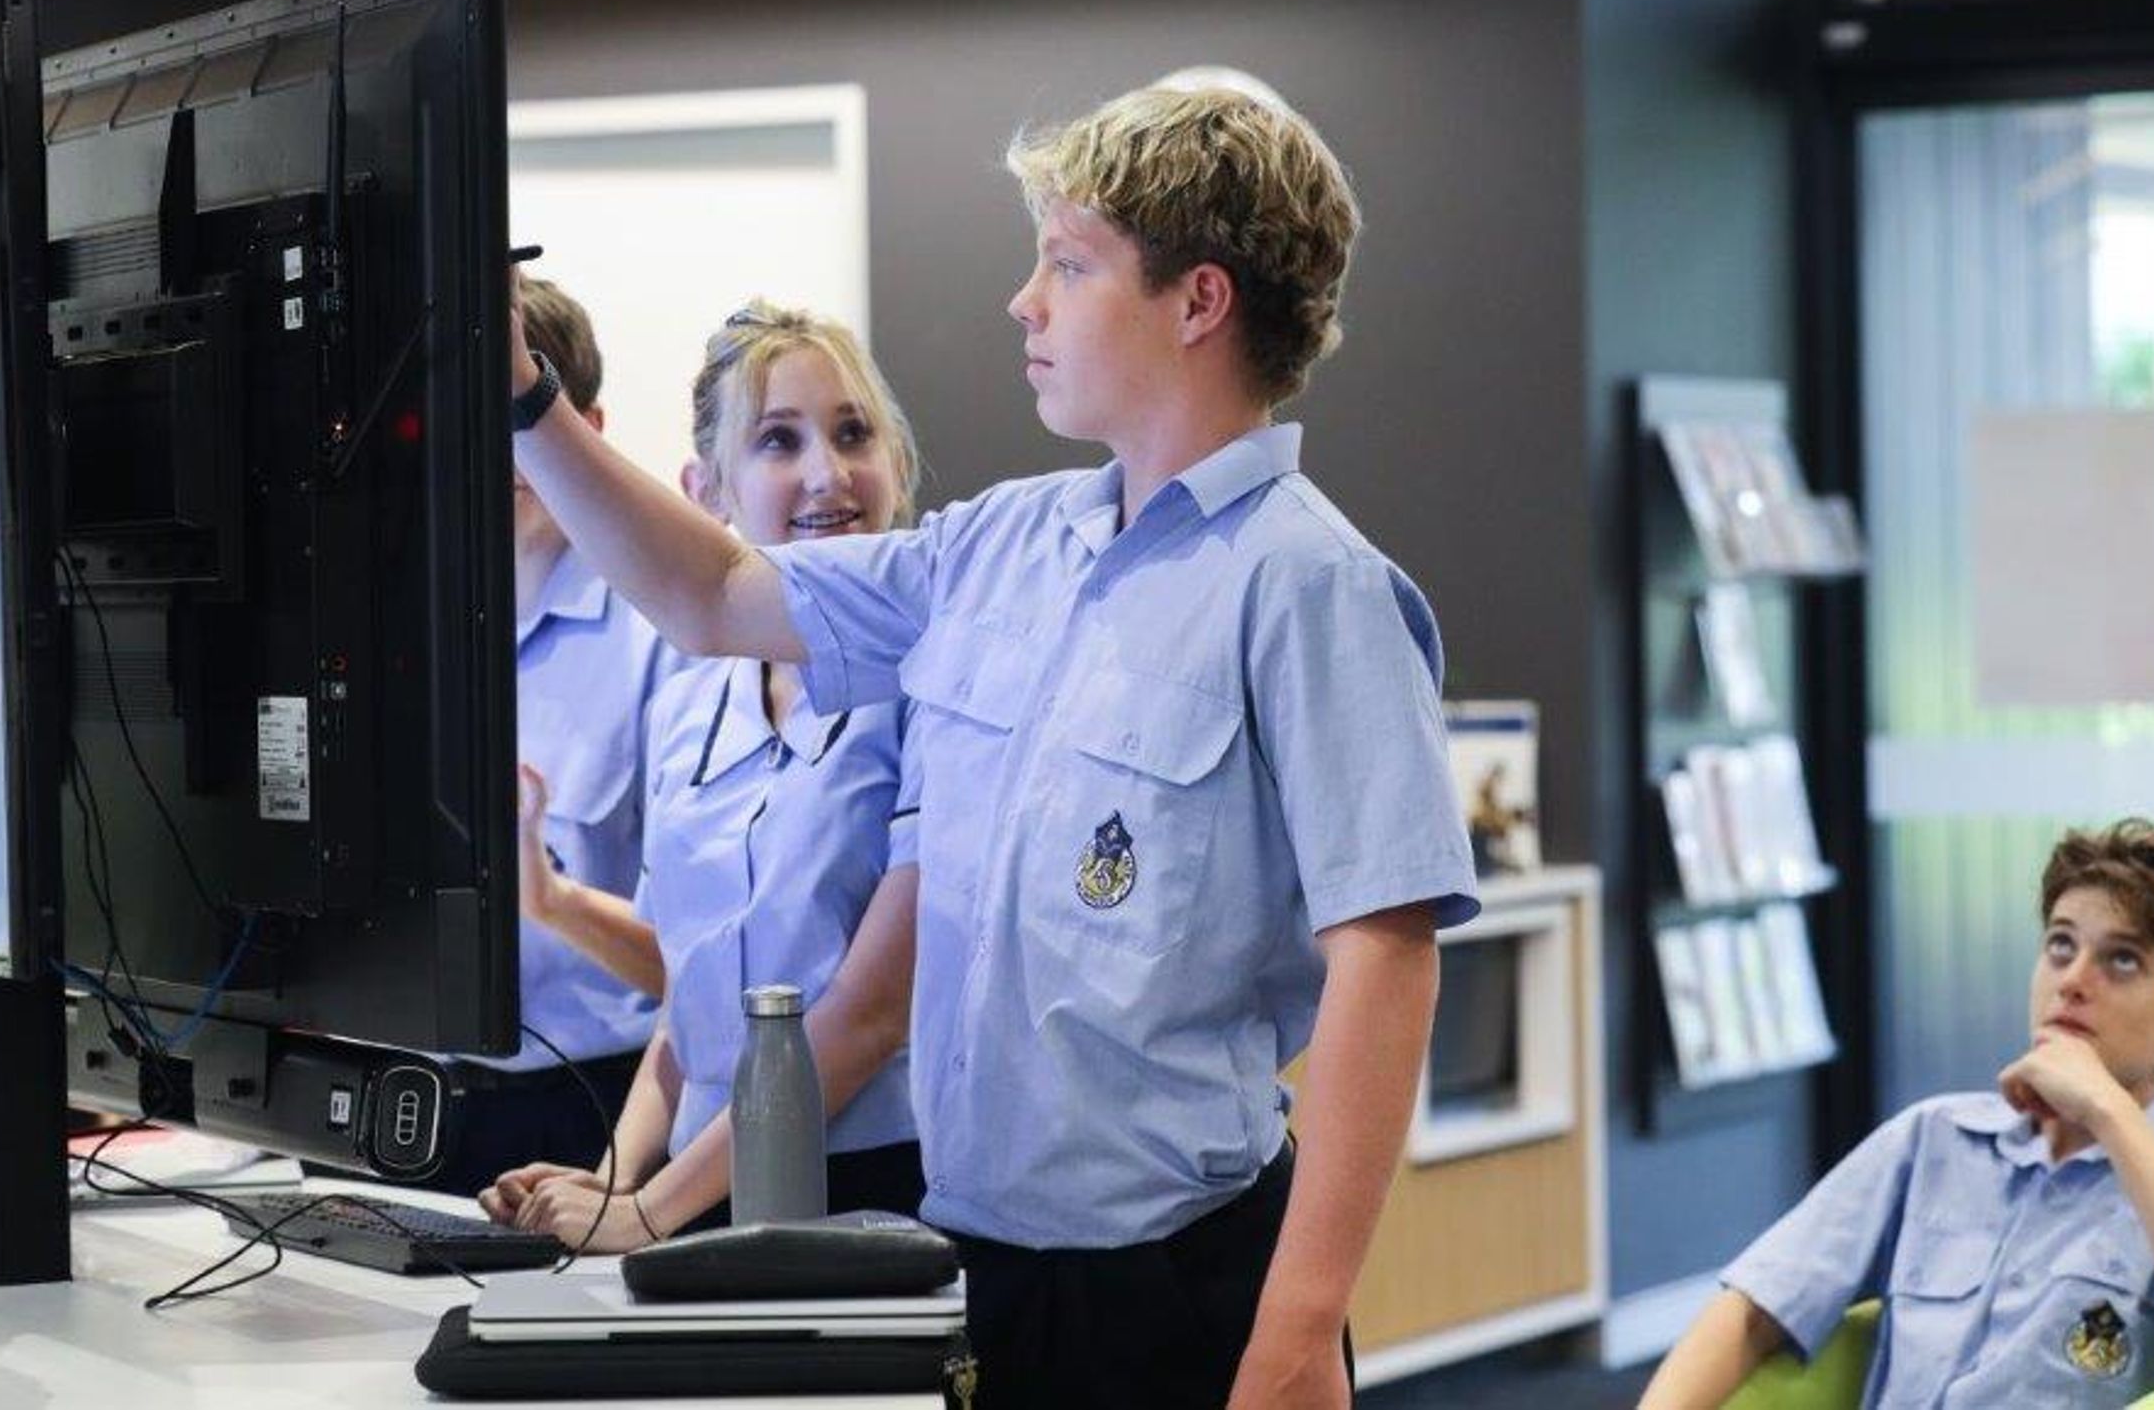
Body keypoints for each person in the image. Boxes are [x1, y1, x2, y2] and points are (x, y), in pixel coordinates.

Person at [508, 84, 1476, 1409]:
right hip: (977, 1269)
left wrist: (1302, 1328)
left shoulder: (1311, 586)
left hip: (1178, 1284)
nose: (1025, 303)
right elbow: (713, 594)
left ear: (1198, 302)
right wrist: (528, 402)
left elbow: (1387, 958)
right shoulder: (1000, 545)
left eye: (1068, 266)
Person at [484, 302, 927, 1249]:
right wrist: (611, 1177)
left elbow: (870, 1016)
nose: (828, 473)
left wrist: (647, 1208)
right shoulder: (692, 703)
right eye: (779, 440)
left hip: (868, 1184)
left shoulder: (932, 686)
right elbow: (687, 1005)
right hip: (701, 1185)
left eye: (854, 433)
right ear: (706, 492)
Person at [1641, 819, 2154, 1409]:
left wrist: (2106, 1109)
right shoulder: (1934, 1140)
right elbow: (1756, 1309)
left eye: (2121, 960)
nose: (2072, 980)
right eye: (2060, 945)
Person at [429, 276, 675, 1198]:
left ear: (586, 432)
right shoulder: (390, 640)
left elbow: (706, 953)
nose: (494, 454)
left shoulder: (664, 639)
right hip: (406, 1096)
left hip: (590, 1105)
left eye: (520, 416)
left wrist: (554, 896)